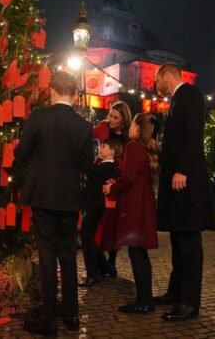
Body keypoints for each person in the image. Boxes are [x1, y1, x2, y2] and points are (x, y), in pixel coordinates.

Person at [14, 71, 93, 337]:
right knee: (68, 256)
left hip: (43, 195)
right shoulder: (83, 126)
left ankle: (48, 319)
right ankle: (71, 315)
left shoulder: (38, 118)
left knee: (47, 256)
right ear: (74, 93)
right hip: (69, 197)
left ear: (53, 90)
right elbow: (86, 164)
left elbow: (20, 153)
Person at [155, 63, 215, 321]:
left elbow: (193, 135)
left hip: (186, 183)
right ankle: (176, 292)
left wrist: (182, 170)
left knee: (189, 243)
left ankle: (189, 302)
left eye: (158, 82)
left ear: (167, 76)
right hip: (178, 183)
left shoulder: (189, 95)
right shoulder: (178, 99)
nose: (157, 87)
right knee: (179, 241)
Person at [104, 113, 159, 314]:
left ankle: (143, 301)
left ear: (137, 127)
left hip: (135, 206)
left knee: (136, 252)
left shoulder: (133, 146)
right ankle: (146, 299)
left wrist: (112, 188)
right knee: (140, 252)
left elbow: (128, 177)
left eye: (133, 123)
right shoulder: (144, 148)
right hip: (143, 204)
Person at [93, 101, 132, 276]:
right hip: (99, 177)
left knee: (112, 223)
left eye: (116, 117)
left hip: (116, 181)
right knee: (99, 223)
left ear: (123, 120)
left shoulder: (128, 138)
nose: (111, 119)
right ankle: (100, 261)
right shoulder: (102, 128)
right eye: (110, 114)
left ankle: (111, 261)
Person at [79, 138, 123, 287]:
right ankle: (105, 267)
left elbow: (89, 169)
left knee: (86, 237)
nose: (101, 148)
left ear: (111, 151)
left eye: (104, 146)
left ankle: (93, 273)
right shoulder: (103, 165)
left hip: (95, 205)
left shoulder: (108, 167)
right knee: (88, 237)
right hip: (92, 204)